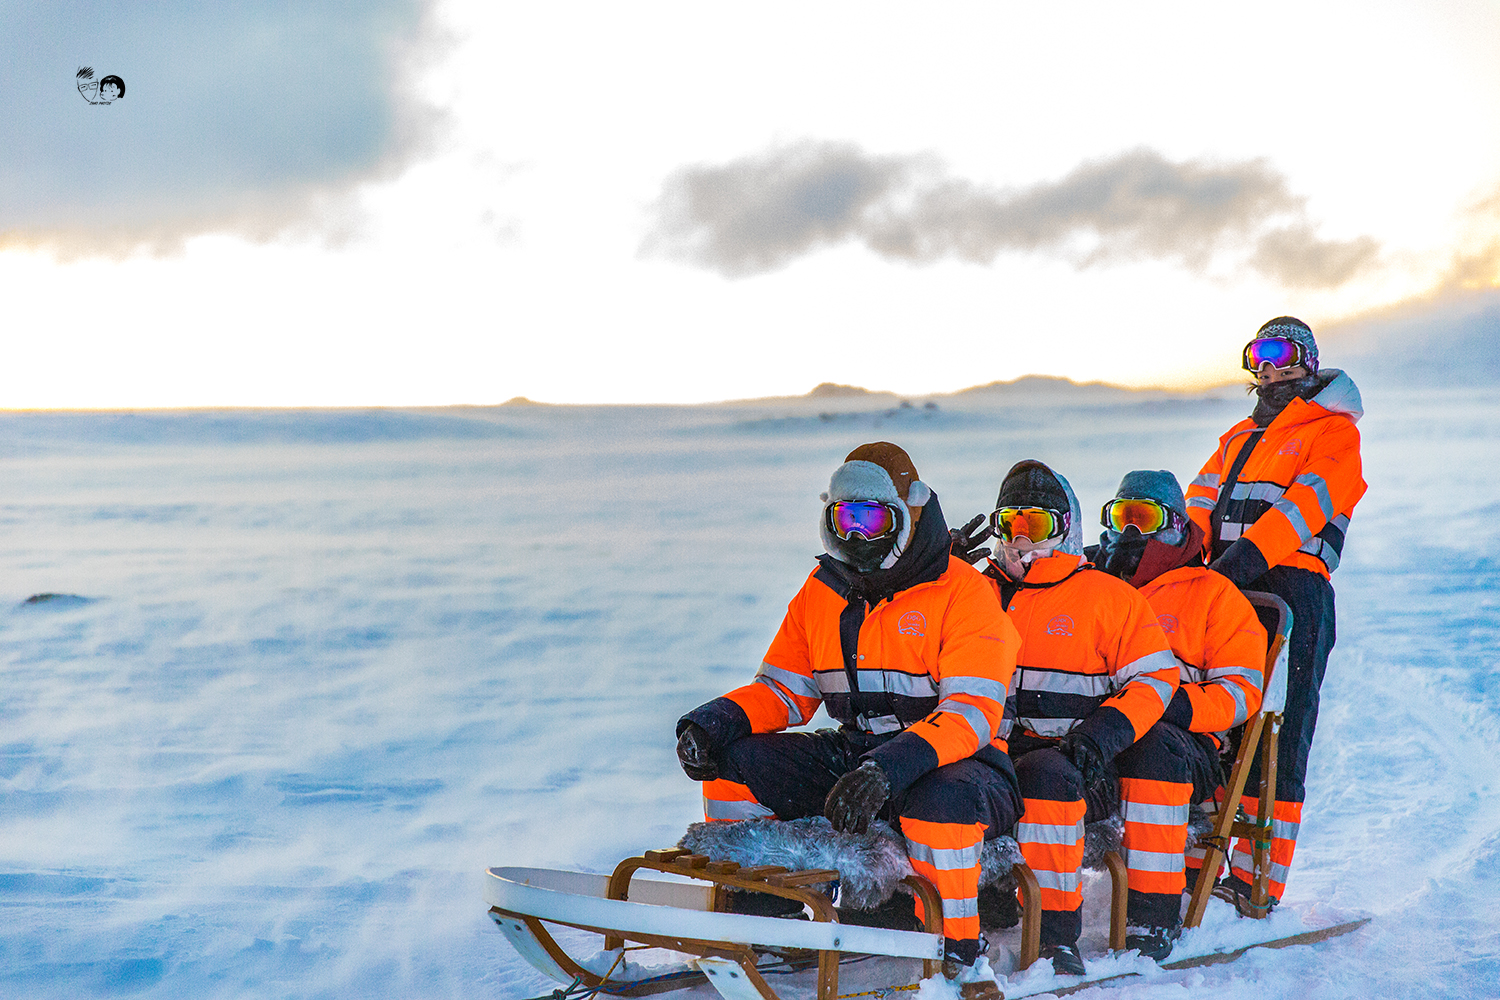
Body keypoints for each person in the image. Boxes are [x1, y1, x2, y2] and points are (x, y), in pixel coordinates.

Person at [675, 442, 1020, 996]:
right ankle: (764, 922)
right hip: (859, 752)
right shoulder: (822, 592)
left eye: (872, 517)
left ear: (906, 516)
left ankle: (959, 955)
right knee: (736, 761)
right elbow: (784, 689)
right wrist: (714, 724)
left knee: (941, 802)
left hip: (964, 763)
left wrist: (888, 769)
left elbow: (972, 713)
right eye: (846, 516)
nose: (857, 534)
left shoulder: (965, 594)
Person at [963, 460, 1181, 973]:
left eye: (1035, 524)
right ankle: (925, 915)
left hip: (1080, 762)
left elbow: (1153, 680)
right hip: (991, 750)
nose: (1020, 538)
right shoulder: (975, 591)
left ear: (1066, 529)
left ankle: (1055, 936)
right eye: (1010, 523)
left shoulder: (1109, 598)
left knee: (1045, 780)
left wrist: (1100, 736)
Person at [1183, 316, 1365, 911]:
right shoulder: (1238, 438)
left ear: (1307, 361)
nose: (1269, 365)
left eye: (1281, 352)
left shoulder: (1332, 432)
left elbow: (1304, 506)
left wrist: (1233, 565)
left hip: (1293, 591)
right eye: (1258, 353)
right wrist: (1169, 558)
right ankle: (1195, 860)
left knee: (1277, 735)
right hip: (1224, 590)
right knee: (1214, 720)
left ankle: (1259, 878)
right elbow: (1198, 505)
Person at [1090, 471, 1269, 901]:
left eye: (1143, 518)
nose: (1129, 531)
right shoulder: (1092, 586)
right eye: (1120, 516)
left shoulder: (1215, 596)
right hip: (1099, 734)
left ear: (1174, 525)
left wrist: (1168, 704)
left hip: (1185, 747)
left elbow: (1243, 691)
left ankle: (1152, 910)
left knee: (1152, 748)